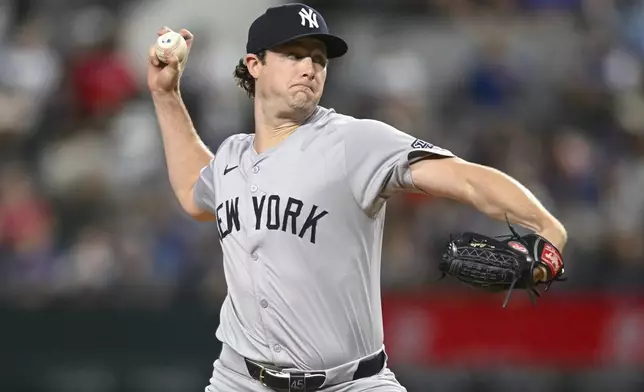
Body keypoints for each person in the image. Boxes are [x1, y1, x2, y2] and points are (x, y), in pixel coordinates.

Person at [147, 3, 567, 392]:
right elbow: (192, 192)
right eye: (294, 55)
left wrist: (546, 226)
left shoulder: (355, 141)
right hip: (240, 379)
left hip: (351, 382)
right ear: (254, 65)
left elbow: (465, 178)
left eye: (319, 59)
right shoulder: (231, 156)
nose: (310, 67)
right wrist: (166, 95)